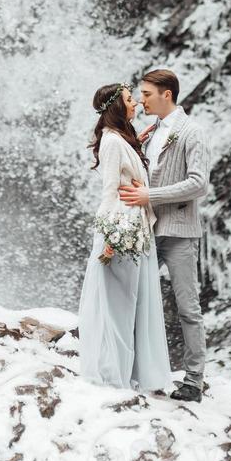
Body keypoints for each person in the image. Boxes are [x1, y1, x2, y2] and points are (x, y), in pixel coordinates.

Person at [119, 69, 211, 403]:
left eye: (146, 94)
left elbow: (199, 183)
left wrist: (150, 196)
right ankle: (125, 363)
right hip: (149, 227)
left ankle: (194, 380)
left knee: (188, 307)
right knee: (128, 291)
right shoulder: (153, 130)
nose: (141, 100)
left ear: (166, 95)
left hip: (180, 232)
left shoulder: (191, 132)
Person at [77, 82, 173, 393]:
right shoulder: (112, 142)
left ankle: (124, 373)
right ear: (118, 106)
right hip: (121, 228)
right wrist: (108, 236)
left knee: (130, 304)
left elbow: (127, 171)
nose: (136, 105)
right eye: (131, 100)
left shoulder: (120, 140)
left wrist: (136, 142)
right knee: (120, 305)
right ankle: (112, 376)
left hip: (133, 228)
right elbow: (109, 192)